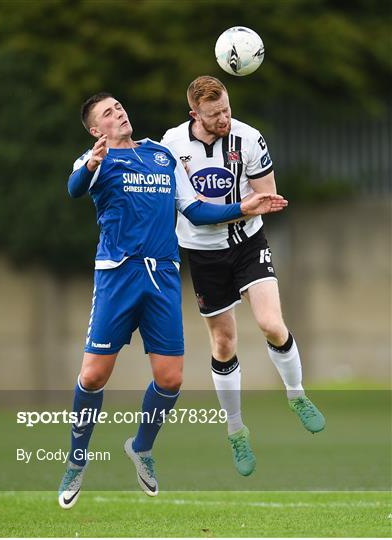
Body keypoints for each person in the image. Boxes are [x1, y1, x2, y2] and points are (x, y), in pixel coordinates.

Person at [58, 91, 288, 508]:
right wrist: (91, 163)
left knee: (170, 379)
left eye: (119, 106)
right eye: (108, 113)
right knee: (93, 376)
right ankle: (76, 460)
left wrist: (244, 206)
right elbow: (75, 188)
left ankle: (141, 448)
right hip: (117, 276)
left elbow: (196, 212)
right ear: (96, 130)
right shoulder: (94, 160)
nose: (119, 113)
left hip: (163, 275)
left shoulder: (162, 156)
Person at [161, 76, 325, 477]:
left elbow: (265, 195)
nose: (224, 119)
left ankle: (297, 395)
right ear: (194, 115)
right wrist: (246, 204)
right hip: (203, 254)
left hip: (248, 244)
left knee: (271, 324)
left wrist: (261, 201)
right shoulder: (172, 145)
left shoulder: (249, 138)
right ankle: (236, 430)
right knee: (223, 341)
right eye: (214, 115)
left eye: (227, 109)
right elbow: (191, 209)